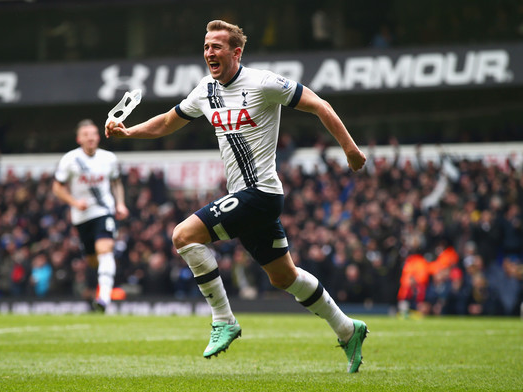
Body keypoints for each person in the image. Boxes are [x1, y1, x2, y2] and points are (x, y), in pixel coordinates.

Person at [105, 20, 368, 372]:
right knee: (283, 277)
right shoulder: (205, 90)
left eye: (216, 47)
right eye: (206, 47)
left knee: (184, 235)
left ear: (236, 52)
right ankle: (348, 329)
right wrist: (128, 132)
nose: (209, 53)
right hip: (245, 197)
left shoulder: (263, 83)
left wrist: (350, 150)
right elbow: (169, 121)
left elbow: (319, 104)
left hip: (261, 192)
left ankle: (224, 320)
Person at [53, 119, 129, 312]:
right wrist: (75, 203)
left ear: (98, 136)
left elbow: (116, 182)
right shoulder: (70, 160)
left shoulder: (109, 158)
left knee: (105, 249)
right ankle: (99, 289)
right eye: (86, 135)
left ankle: (103, 299)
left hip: (104, 210)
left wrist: (120, 203)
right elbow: (57, 187)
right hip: (81, 216)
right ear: (79, 139)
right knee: (92, 259)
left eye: (94, 134)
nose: (91, 138)